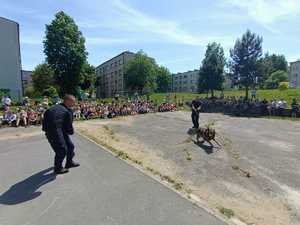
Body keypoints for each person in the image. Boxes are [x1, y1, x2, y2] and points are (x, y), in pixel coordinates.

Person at [42, 94, 79, 174]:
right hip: (54, 132)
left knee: (70, 146)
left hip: (58, 131)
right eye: (73, 102)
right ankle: (58, 168)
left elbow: (44, 119)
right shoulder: (67, 111)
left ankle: (69, 162)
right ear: (68, 101)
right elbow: (69, 125)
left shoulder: (54, 108)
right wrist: (71, 132)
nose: (74, 104)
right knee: (62, 150)